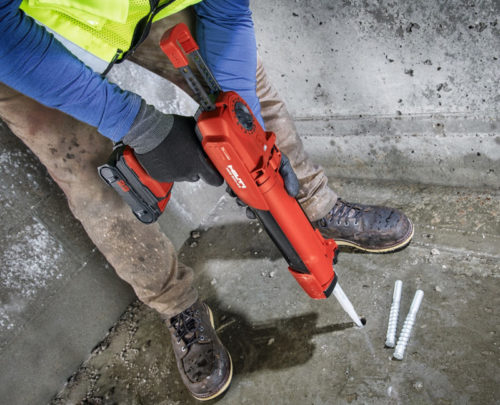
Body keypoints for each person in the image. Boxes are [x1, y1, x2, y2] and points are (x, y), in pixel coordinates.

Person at [0, 0, 414, 400]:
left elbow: (227, 11)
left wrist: (246, 141)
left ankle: (316, 210)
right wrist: (138, 124)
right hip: (20, 38)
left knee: (242, 104)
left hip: (145, 8)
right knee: (83, 168)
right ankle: (177, 306)